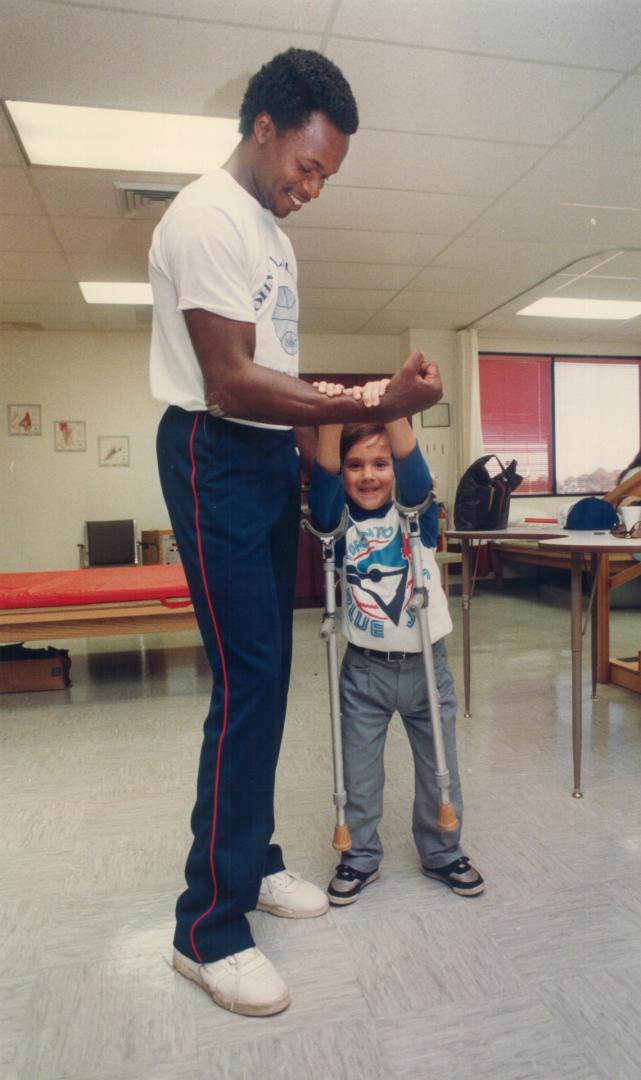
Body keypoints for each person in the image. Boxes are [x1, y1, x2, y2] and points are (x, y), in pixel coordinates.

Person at [149, 48, 443, 1017]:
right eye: (306, 166)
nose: (311, 189)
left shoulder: (270, 237)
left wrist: (343, 415)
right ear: (263, 125)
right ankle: (208, 926)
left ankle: (254, 859)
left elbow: (278, 380)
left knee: (269, 674)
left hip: (266, 458)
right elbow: (232, 379)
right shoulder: (204, 218)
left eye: (326, 176)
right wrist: (369, 396)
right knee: (247, 682)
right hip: (213, 449)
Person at [309, 410, 484, 905]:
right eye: (355, 465)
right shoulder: (337, 524)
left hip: (427, 665)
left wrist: (394, 407)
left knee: (438, 766)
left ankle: (443, 851)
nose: (369, 475)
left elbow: (415, 470)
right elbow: (322, 489)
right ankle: (360, 855)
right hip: (364, 670)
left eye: (380, 463)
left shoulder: (416, 514)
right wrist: (329, 423)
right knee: (359, 771)